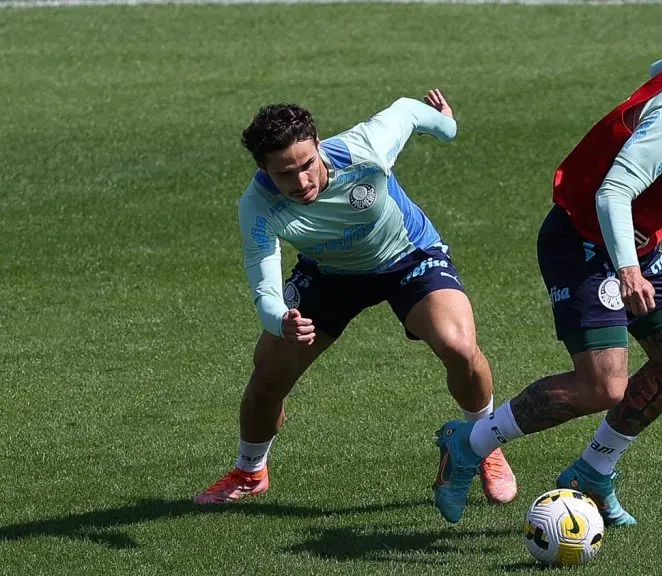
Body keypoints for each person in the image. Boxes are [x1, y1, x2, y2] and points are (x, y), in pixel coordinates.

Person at [431, 22, 662, 525]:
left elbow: (661, 68)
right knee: (603, 386)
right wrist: (627, 270)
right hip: (582, 238)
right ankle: (468, 443)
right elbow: (612, 192)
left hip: (633, 241)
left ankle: (593, 471)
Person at [195, 90, 517, 505]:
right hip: (329, 274)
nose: (302, 182)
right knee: (267, 378)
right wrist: (281, 321)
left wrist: (446, 126)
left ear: (318, 143)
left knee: (458, 345)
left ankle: (483, 446)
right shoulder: (257, 206)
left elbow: (407, 111)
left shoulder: (366, 146)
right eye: (285, 174)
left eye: (307, 164)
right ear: (264, 169)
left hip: (408, 257)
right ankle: (250, 471)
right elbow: (264, 287)